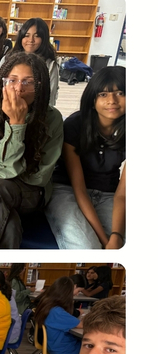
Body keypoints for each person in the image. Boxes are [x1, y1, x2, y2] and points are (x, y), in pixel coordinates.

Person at [0, 52, 64, 249]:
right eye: (12, 80)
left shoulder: (53, 118)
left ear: (40, 86)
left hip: (30, 193)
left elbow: (39, 177)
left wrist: (17, 123)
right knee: (9, 224)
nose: (18, 88)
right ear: (2, 82)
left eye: (28, 82)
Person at [46, 67, 125, 250]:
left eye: (120, 93)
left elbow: (123, 193)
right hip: (67, 190)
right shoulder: (75, 125)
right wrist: (106, 242)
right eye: (103, 94)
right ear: (93, 99)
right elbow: (79, 188)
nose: (112, 100)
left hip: (109, 194)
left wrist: (117, 236)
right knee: (86, 246)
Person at [4, 18, 60, 108]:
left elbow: (50, 98)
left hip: (37, 112)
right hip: (8, 107)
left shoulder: (50, 65)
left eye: (36, 36)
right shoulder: (7, 60)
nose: (31, 40)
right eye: (26, 35)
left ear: (44, 39)